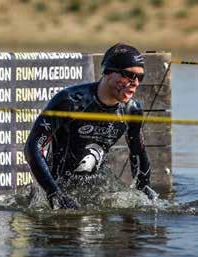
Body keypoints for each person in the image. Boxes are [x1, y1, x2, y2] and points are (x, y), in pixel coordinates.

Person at [25, 43, 158, 209]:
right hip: (57, 187)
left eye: (140, 78)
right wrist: (53, 192)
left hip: (96, 189)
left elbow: (138, 153)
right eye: (130, 75)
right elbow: (32, 147)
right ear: (108, 72)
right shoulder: (70, 101)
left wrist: (144, 195)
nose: (135, 83)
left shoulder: (132, 109)